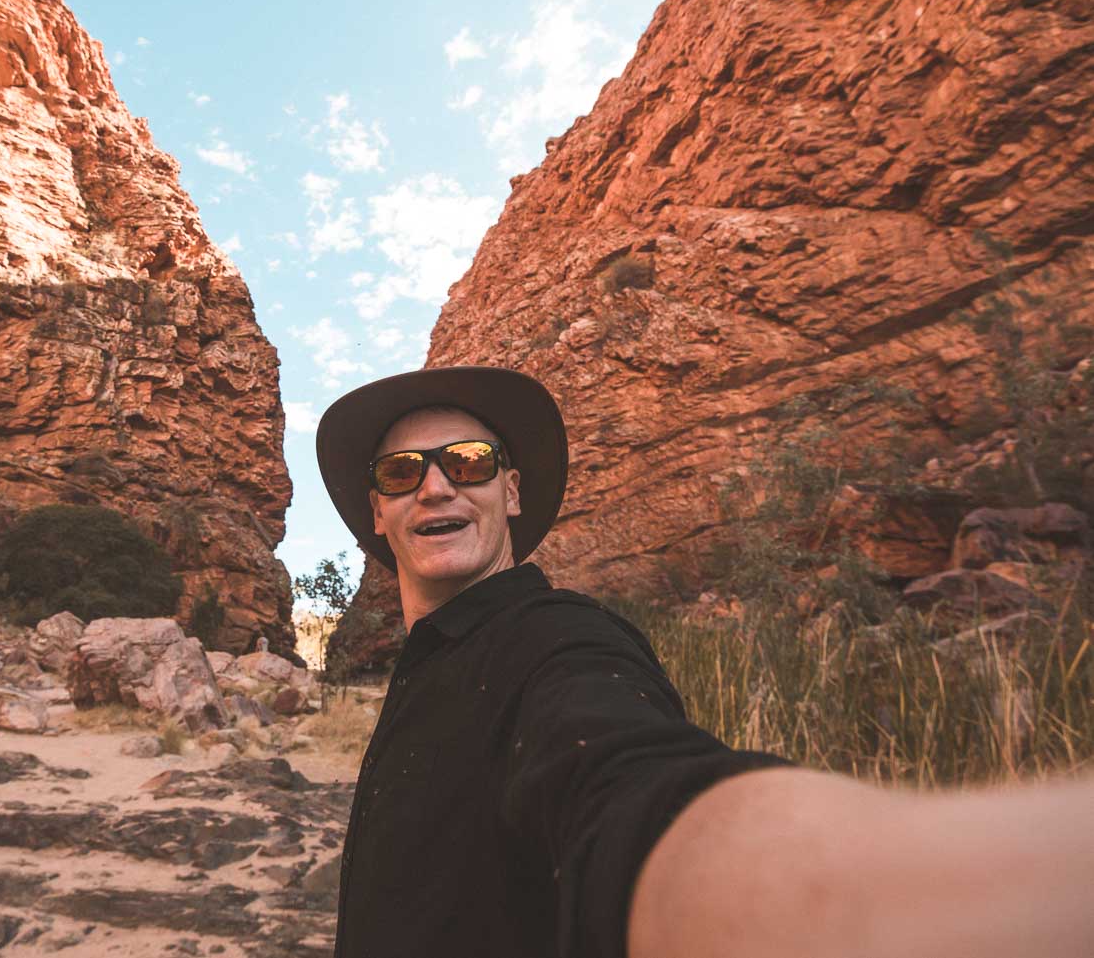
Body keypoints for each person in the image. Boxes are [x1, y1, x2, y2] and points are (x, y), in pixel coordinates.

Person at [314, 365, 1094, 958]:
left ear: (511, 490)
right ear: (378, 511)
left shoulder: (554, 639)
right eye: (401, 471)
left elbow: (634, 789)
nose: (438, 483)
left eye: (471, 460)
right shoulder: (433, 659)